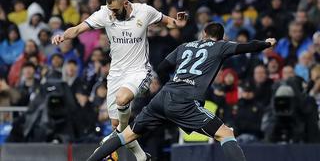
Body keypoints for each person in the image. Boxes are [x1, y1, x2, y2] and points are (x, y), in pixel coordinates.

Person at [86, 22, 276, 161]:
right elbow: (246, 47)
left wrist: (177, 80)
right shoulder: (221, 46)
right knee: (225, 134)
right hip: (185, 101)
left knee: (126, 135)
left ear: (203, 33)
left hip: (164, 96)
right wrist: (266, 43)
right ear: (221, 37)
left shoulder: (184, 46)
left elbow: (161, 68)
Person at [52, 0, 187, 161]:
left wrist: (178, 23)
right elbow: (78, 29)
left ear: (125, 3)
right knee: (117, 124)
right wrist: (63, 35)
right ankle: (141, 157)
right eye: (110, 10)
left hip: (139, 72)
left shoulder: (144, 11)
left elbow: (169, 21)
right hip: (115, 75)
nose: (113, 14)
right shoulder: (105, 14)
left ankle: (114, 138)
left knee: (122, 99)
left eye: (115, 10)